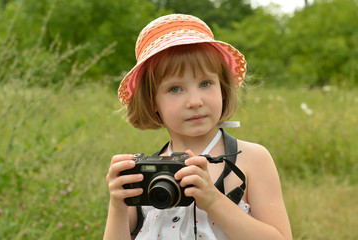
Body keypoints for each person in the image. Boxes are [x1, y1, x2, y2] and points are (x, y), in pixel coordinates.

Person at [104, 14, 292, 240]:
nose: (195, 101)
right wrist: (118, 205)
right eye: (175, 89)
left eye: (205, 84)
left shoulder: (250, 159)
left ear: (222, 89)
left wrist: (213, 201)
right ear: (152, 102)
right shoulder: (146, 176)